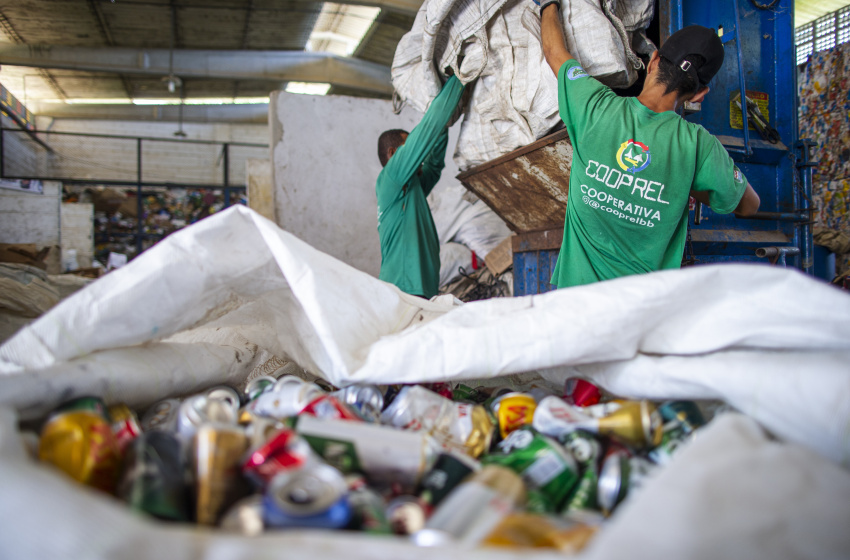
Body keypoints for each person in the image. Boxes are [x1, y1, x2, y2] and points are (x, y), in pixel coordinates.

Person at [537, 1, 760, 288]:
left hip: (576, 307)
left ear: (653, 60)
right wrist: (682, 182)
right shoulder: (698, 146)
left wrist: (549, 4)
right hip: (644, 312)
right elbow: (749, 206)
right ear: (699, 94)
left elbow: (554, 51)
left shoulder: (593, 105)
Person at [376, 75, 465, 299]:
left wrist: (443, 127)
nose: (418, 159)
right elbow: (426, 131)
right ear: (394, 154)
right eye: (408, 148)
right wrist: (458, 79)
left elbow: (434, 165)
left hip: (418, 290)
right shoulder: (392, 177)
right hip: (404, 289)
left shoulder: (410, 188)